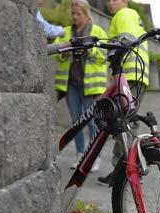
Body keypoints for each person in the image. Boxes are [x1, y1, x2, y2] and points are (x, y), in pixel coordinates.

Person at [98, 0, 149, 185]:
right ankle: (127, 170)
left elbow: (124, 41)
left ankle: (124, 172)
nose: (110, 3)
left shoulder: (123, 15)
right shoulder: (134, 16)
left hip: (127, 75)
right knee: (128, 123)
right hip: (138, 75)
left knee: (122, 125)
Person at [53, 0, 108, 171]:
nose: (75, 17)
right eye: (73, 13)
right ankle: (80, 155)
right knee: (77, 122)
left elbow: (104, 55)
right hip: (71, 85)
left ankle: (94, 157)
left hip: (90, 85)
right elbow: (55, 51)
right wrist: (64, 53)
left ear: (86, 14)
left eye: (79, 14)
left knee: (92, 122)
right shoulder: (66, 32)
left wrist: (89, 49)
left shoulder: (97, 31)